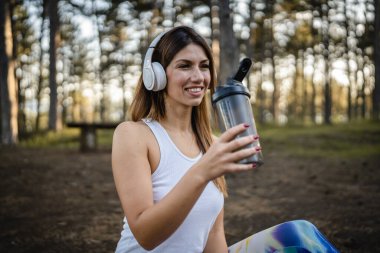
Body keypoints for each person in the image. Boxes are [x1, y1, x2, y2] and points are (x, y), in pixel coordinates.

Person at [112, 25, 339, 253]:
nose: (198, 77)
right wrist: (202, 171)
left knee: (301, 235)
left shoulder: (211, 142)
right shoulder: (133, 135)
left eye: (204, 67)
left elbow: (213, 233)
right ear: (156, 75)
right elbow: (145, 236)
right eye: (184, 66)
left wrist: (208, 165)